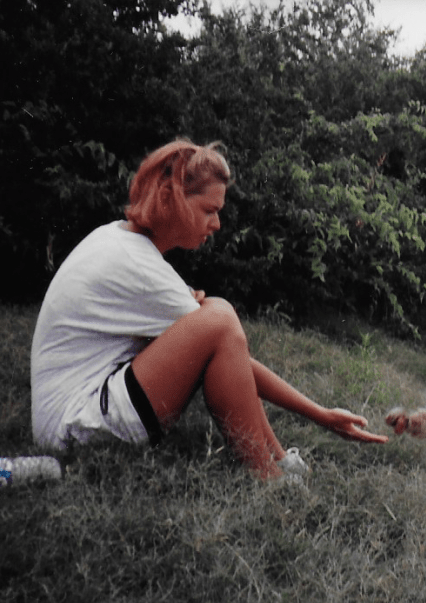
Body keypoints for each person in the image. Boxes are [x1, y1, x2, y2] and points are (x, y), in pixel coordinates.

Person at [30, 139, 388, 481]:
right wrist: (320, 415)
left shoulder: (121, 242)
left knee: (217, 316)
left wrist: (202, 319)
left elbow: (227, 350)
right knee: (219, 317)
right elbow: (228, 346)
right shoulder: (135, 264)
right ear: (171, 198)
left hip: (68, 418)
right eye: (209, 210)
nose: (216, 224)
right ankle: (268, 476)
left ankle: (278, 460)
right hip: (75, 429)